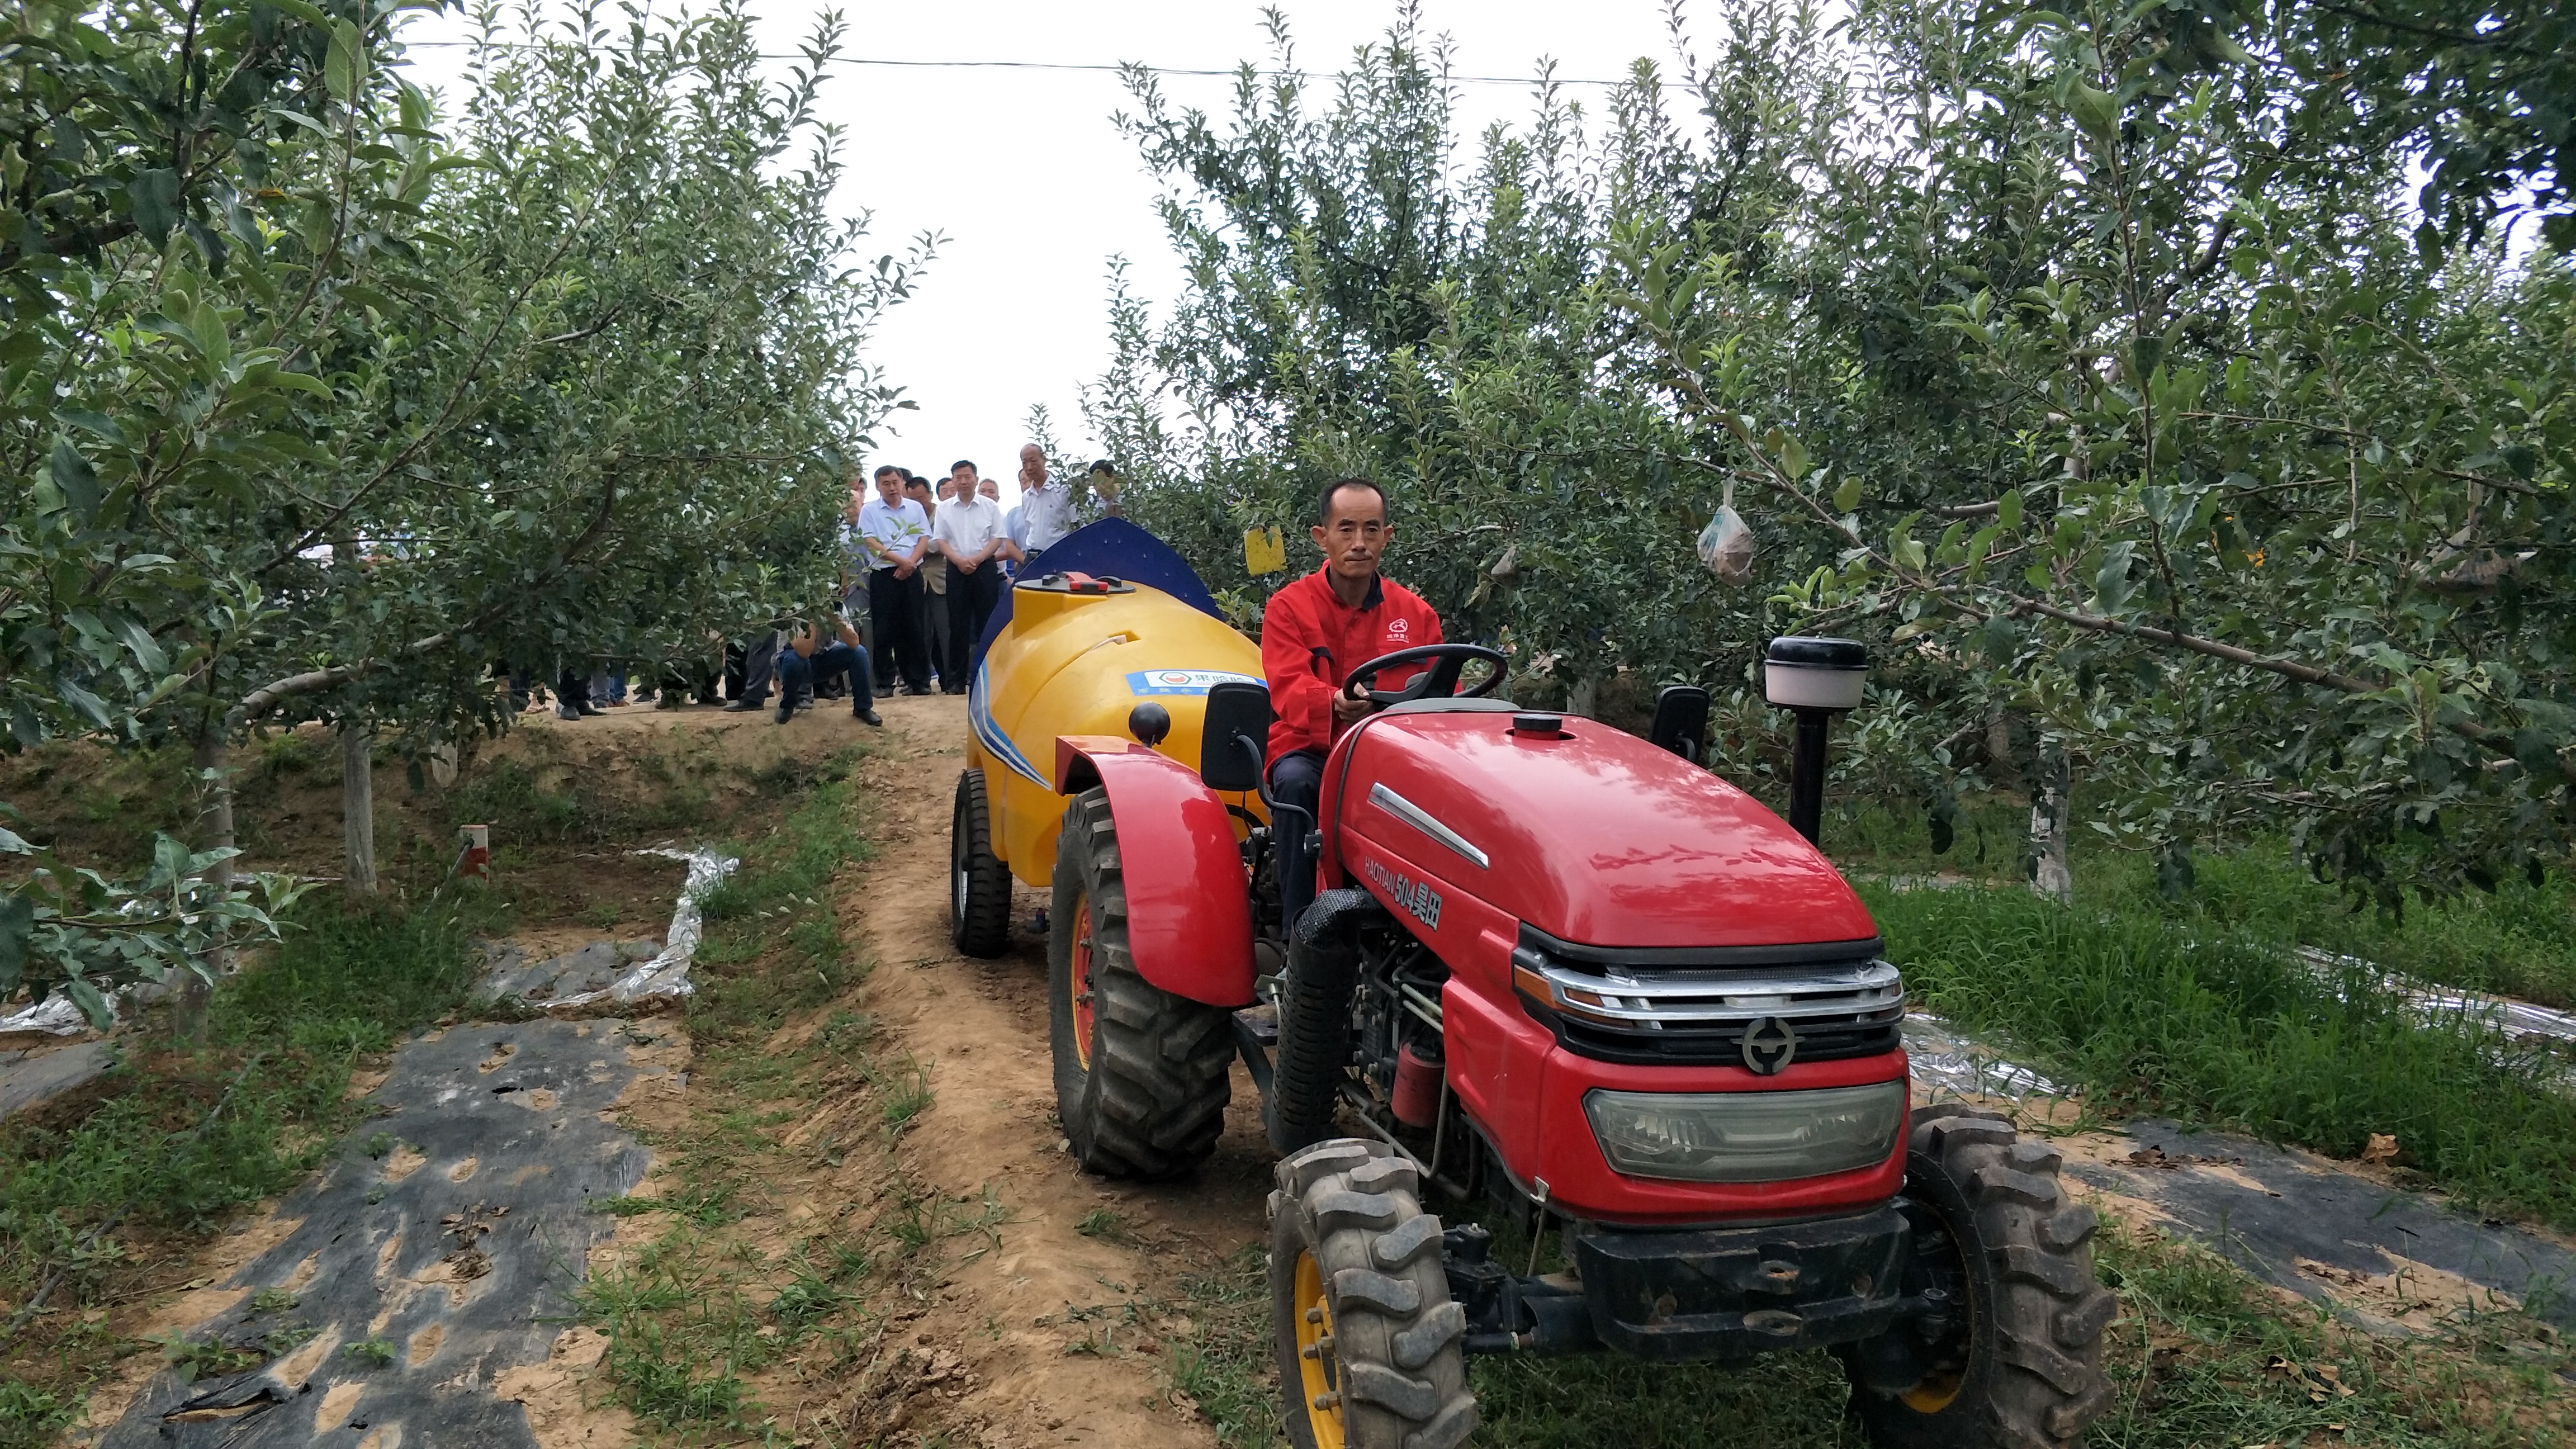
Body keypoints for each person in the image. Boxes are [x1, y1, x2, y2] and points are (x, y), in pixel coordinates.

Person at [1261, 479, 1442, 929]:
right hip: (1311, 748)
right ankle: (1300, 940)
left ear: (1387, 536)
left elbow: (1441, 696)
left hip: (1390, 755)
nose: (1359, 543)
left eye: (1371, 529)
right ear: (1322, 537)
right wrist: (1335, 702)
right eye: (1346, 529)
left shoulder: (1417, 615)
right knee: (1297, 784)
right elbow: (1287, 685)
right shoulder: (1288, 608)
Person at [855, 465, 935, 694]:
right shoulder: (870, 511)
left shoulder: (914, 508)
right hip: (884, 574)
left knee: (915, 628)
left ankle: (919, 681)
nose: (892, 487)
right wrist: (900, 561)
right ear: (879, 486)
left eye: (895, 482)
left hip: (912, 572)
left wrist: (909, 564)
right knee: (883, 630)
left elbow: (923, 538)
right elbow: (870, 541)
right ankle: (884, 683)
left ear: (902, 483)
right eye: (886, 484)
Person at [934, 460, 1008, 689]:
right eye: (959, 477)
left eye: (967, 477)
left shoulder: (990, 507)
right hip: (956, 569)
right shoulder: (944, 509)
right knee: (958, 625)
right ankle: (956, 681)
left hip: (984, 568)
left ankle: (986, 679)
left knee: (987, 624)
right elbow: (940, 540)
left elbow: (998, 538)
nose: (963, 481)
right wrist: (958, 560)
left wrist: (977, 559)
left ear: (975, 479)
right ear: (953, 480)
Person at [773, 608, 882, 726]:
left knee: (859, 653)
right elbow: (803, 652)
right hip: (793, 662)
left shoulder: (837, 604)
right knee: (794, 661)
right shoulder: (793, 607)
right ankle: (787, 706)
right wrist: (814, 618)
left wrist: (836, 619)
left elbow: (854, 642)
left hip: (822, 657)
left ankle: (863, 708)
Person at [1015, 443, 1120, 558]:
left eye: (1034, 461)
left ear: (1044, 460)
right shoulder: (1026, 497)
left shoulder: (1063, 491)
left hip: (1058, 555)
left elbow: (1076, 525)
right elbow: (1029, 528)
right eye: (1024, 462)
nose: (1029, 467)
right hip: (1033, 556)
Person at [904, 471, 952, 690]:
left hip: (940, 580)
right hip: (915, 581)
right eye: (912, 500)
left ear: (930, 495)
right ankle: (919, 681)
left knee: (946, 633)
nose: (917, 504)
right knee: (919, 634)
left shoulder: (943, 514)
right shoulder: (906, 516)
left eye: (921, 499)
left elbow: (938, 545)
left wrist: (918, 548)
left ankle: (950, 679)